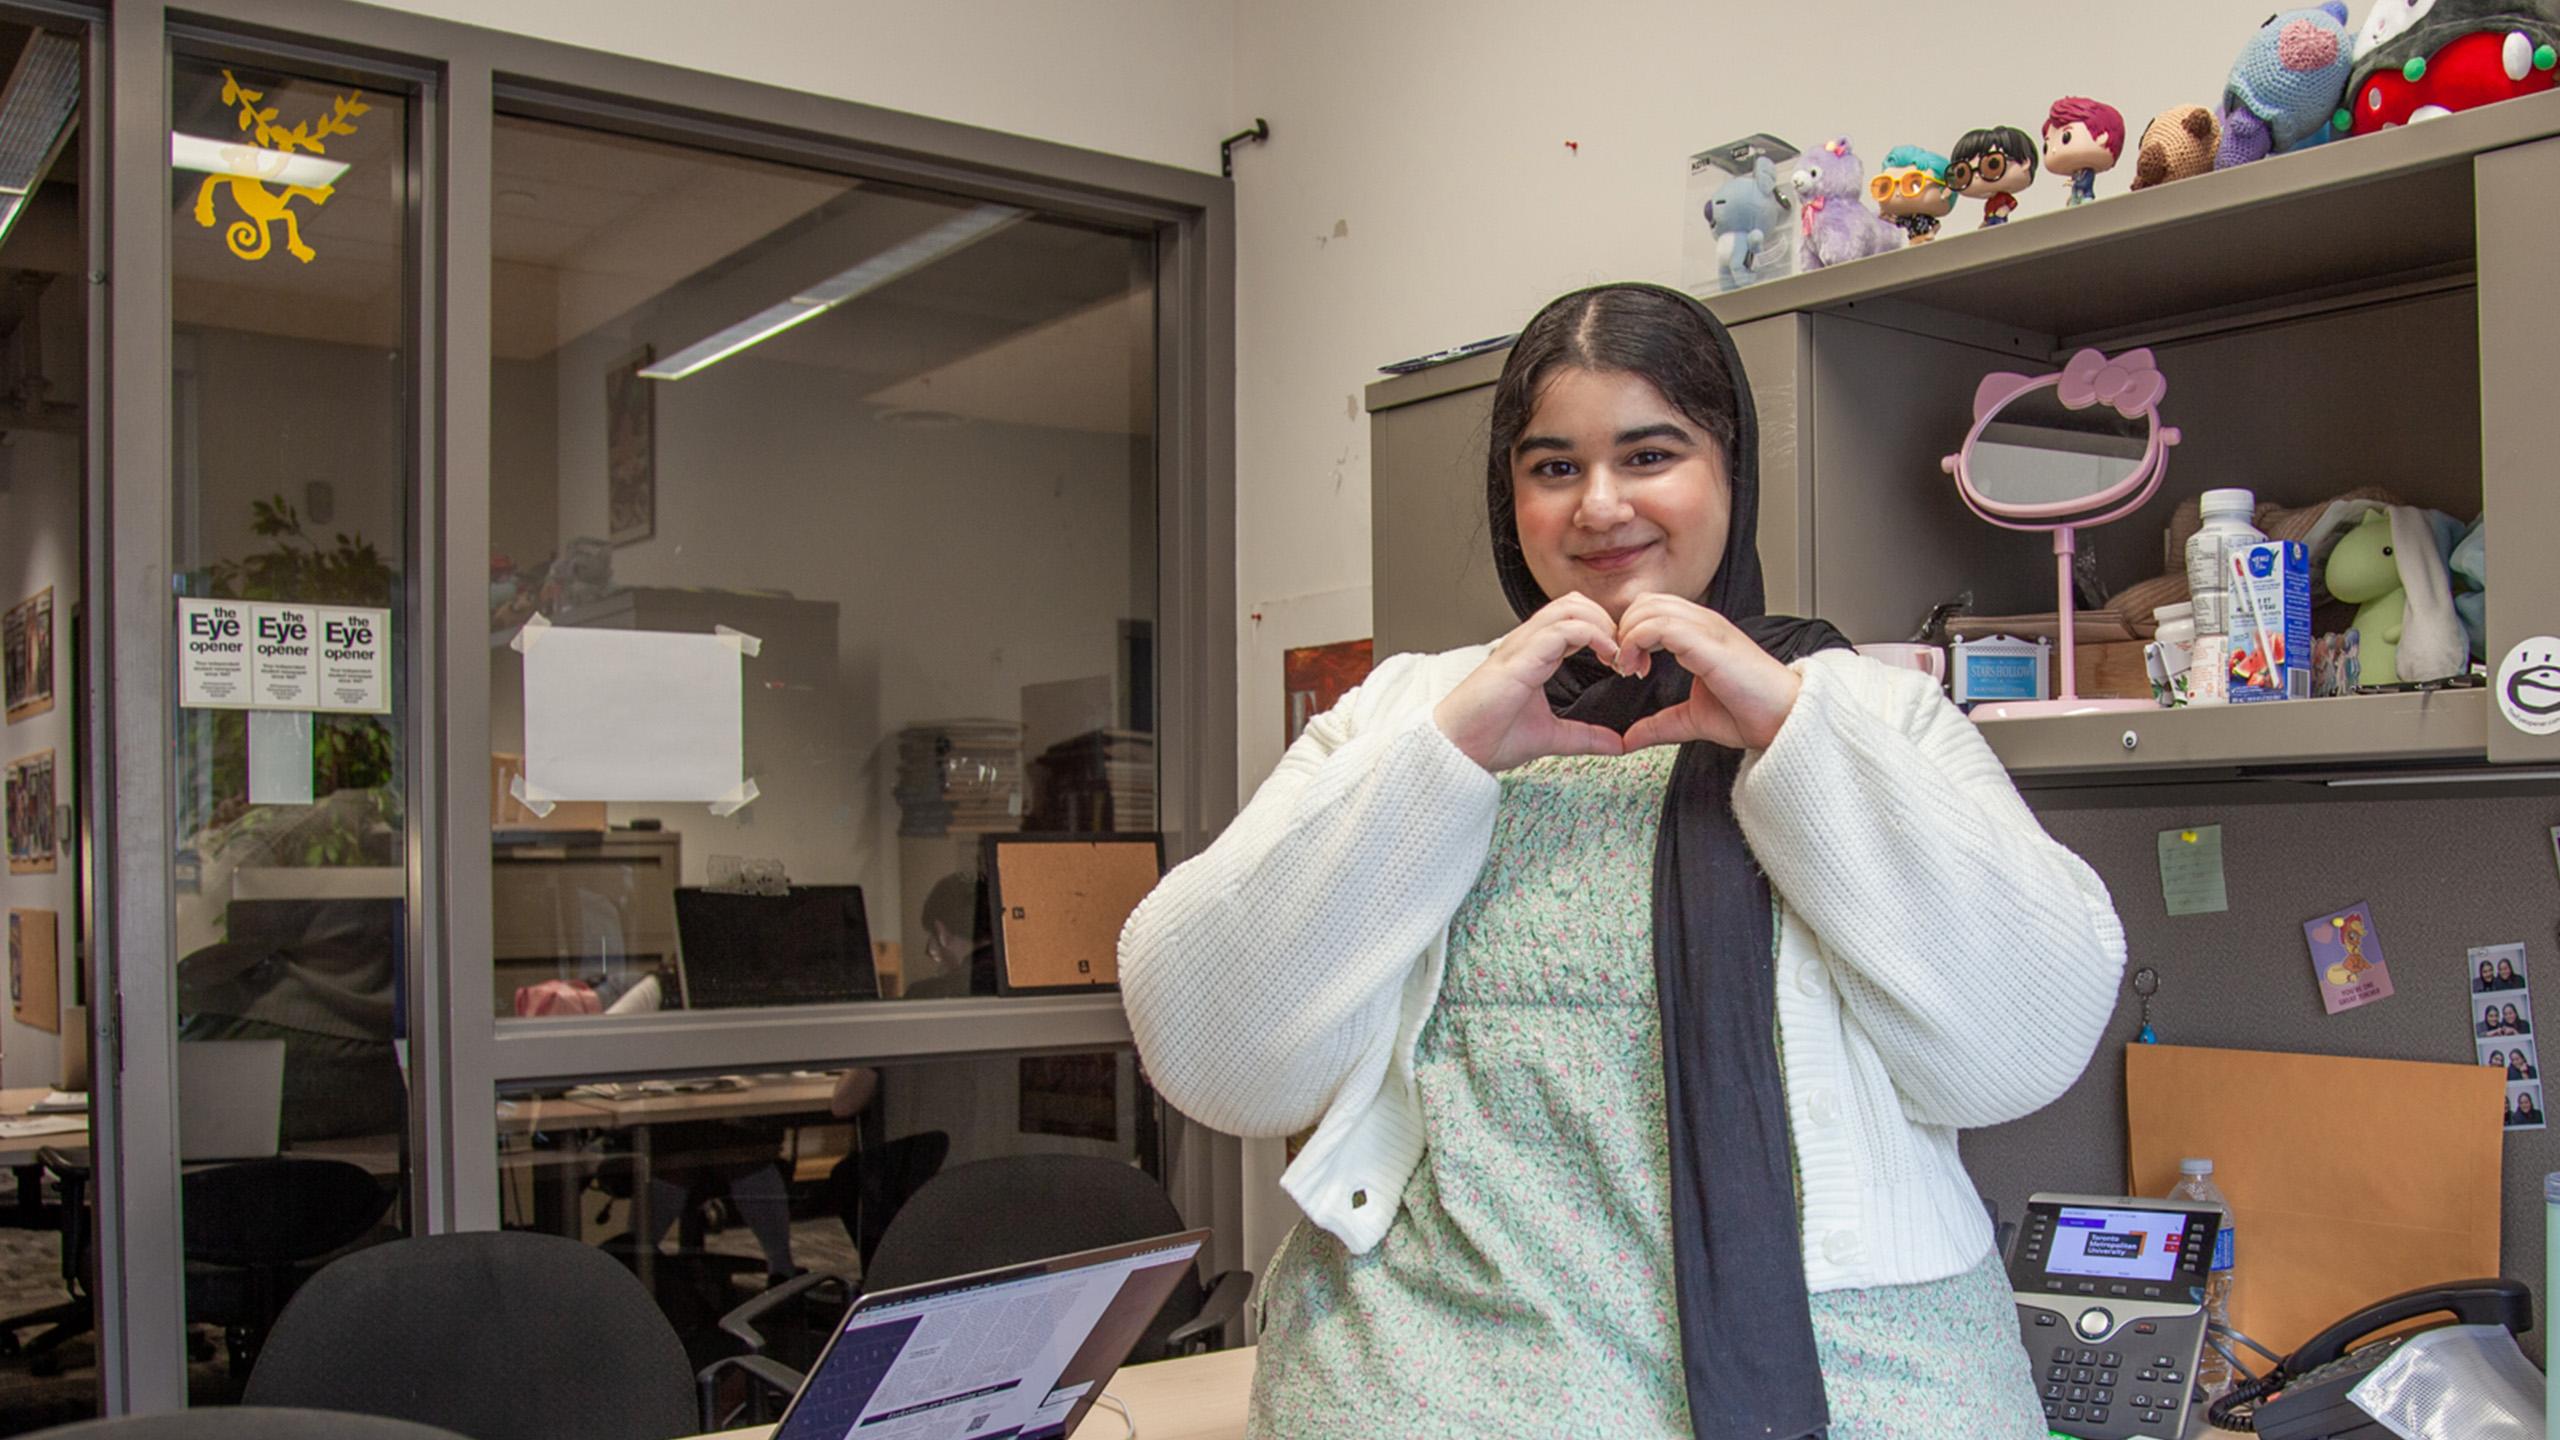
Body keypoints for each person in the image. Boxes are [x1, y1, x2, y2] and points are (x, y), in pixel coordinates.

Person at [1121, 283, 2126, 1439]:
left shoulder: (1868, 713)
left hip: (1865, 1391)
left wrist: (1794, 737)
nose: (1600, 506)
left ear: (1729, 471)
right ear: (1511, 501)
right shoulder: (1406, 710)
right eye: (1552, 468)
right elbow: (1210, 1050)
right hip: (1417, 1387)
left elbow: (2019, 1047)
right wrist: (1441, 759)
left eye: (1650, 453)